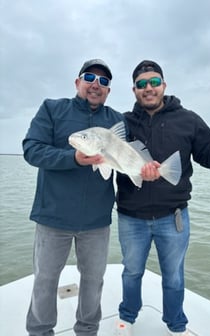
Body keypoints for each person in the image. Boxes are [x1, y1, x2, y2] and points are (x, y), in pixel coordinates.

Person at [114, 60, 210, 336]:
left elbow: (209, 153)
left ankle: (176, 325)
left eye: (154, 82)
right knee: (131, 272)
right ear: (134, 90)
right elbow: (106, 152)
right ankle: (126, 317)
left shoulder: (188, 119)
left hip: (173, 217)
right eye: (142, 84)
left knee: (174, 277)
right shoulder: (123, 123)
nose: (148, 88)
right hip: (131, 217)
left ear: (164, 85)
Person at [23, 59, 124, 336]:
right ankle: (41, 332)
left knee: (93, 281)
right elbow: (32, 149)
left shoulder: (117, 120)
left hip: (96, 221)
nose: (96, 84)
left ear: (108, 91)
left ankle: (87, 331)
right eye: (90, 77)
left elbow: (128, 160)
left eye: (103, 81)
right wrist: (74, 158)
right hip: (52, 216)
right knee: (45, 280)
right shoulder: (52, 109)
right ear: (77, 82)